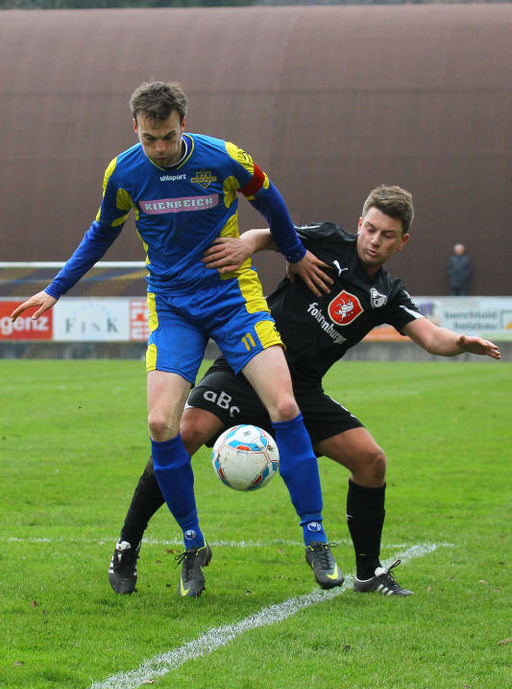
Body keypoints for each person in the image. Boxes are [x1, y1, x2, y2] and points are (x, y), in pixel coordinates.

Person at [10, 80, 343, 599]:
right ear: (135, 129)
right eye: (149, 139)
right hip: (173, 307)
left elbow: (271, 202)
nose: (160, 148)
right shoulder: (123, 172)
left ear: (183, 124)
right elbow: (101, 232)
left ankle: (315, 538)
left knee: (283, 404)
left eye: (167, 136)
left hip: (233, 298)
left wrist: (295, 253)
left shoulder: (225, 158)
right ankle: (192, 544)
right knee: (160, 423)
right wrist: (55, 290)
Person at [108, 185, 501, 597]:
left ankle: (369, 573)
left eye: (387, 235)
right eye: (370, 229)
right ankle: (127, 545)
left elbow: (432, 336)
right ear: (360, 223)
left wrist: (462, 342)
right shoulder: (328, 240)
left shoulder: (387, 294)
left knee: (371, 461)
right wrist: (245, 246)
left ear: (402, 242)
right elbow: (267, 235)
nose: (374, 240)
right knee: (180, 434)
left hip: (302, 391)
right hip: (245, 367)